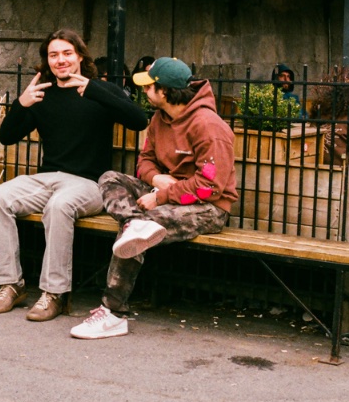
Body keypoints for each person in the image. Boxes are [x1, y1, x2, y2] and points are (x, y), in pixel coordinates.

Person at [0, 30, 148, 321]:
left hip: (90, 183)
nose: (60, 60)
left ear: (80, 56)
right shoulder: (42, 94)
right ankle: (10, 284)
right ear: (47, 61)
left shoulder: (100, 89)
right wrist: (21, 103)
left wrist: (96, 91)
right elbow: (7, 136)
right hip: (48, 178)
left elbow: (139, 120)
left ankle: (55, 294)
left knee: (60, 205)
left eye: (66, 53)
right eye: (53, 55)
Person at [72, 57, 238, 340]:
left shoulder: (210, 126)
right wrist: (156, 180)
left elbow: (211, 187)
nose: (144, 92)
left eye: (149, 87)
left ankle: (112, 313)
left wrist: (161, 196)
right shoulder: (160, 119)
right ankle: (133, 224)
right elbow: (145, 161)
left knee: (141, 228)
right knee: (111, 179)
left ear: (165, 91)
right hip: (166, 196)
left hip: (208, 207)